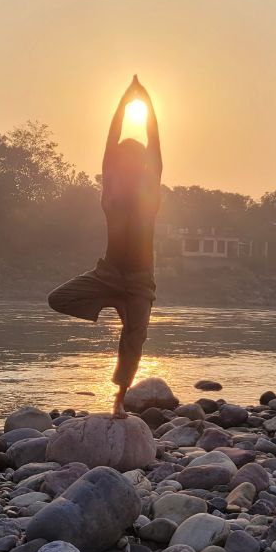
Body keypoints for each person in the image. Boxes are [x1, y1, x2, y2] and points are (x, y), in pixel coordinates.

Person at [48, 75, 162, 416]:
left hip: (140, 281)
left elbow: (155, 144)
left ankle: (119, 397)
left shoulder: (150, 193)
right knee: (58, 298)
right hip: (107, 273)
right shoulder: (110, 192)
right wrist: (123, 104)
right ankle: (110, 305)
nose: (126, 165)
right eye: (122, 162)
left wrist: (148, 104)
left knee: (134, 339)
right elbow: (110, 145)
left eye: (134, 161)